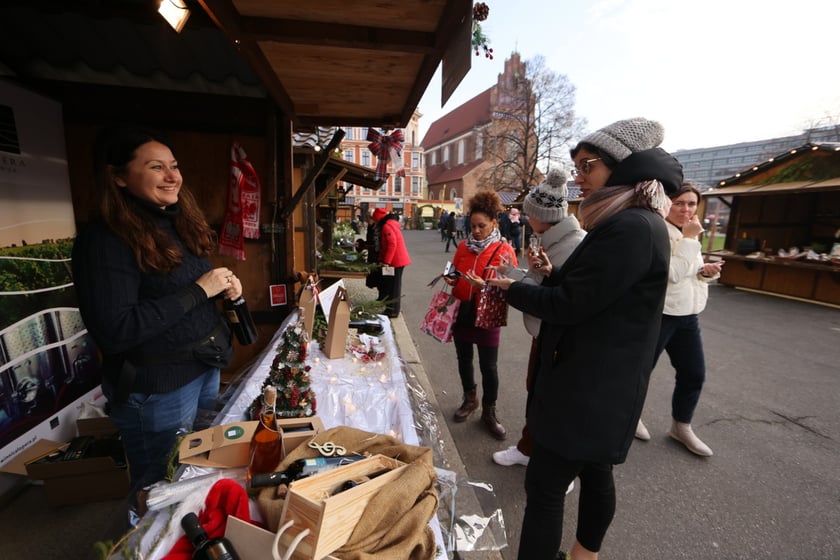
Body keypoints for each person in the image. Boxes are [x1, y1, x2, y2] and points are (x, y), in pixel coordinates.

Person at [489, 117, 683, 559]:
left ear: (622, 168)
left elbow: (572, 305)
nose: (579, 176)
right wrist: (551, 275)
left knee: (545, 487)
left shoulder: (630, 226)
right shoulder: (629, 219)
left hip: (588, 386)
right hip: (603, 383)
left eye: (587, 165)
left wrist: (513, 288)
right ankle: (584, 555)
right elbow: (598, 294)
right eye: (576, 165)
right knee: (596, 474)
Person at [71, 126, 242, 519]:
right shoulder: (105, 240)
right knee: (157, 489)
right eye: (156, 167)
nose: (173, 176)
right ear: (119, 177)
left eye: (175, 166)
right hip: (157, 390)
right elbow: (116, 330)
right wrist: (200, 290)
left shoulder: (177, 222)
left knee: (193, 475)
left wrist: (222, 290)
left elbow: (179, 295)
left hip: (203, 370)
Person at [491, 169, 585, 475]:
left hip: (561, 337)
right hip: (544, 333)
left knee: (554, 401)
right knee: (537, 391)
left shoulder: (573, 245)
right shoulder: (547, 239)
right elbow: (540, 280)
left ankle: (558, 468)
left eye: (530, 213)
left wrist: (512, 287)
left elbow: (557, 298)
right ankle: (528, 449)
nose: (526, 217)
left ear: (544, 215)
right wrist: (513, 273)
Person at [635, 183, 724, 456]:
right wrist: (690, 239)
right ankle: (628, 416)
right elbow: (670, 274)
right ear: (667, 204)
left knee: (694, 373)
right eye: (680, 203)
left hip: (689, 314)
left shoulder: (689, 234)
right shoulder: (660, 231)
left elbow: (689, 270)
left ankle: (681, 425)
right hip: (661, 315)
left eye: (692, 204)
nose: (686, 209)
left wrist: (706, 272)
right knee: (639, 372)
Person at [444, 191, 517, 440]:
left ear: (494, 223)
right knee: (463, 359)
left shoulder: (505, 249)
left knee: (489, 366)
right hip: (463, 310)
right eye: (472, 225)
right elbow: (455, 271)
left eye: (481, 226)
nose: (475, 231)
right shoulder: (463, 247)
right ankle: (470, 400)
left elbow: (511, 287)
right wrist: (451, 278)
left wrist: (483, 285)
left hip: (487, 315)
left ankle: (489, 411)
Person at [369, 207, 411, 318]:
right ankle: (391, 309)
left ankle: (392, 311)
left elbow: (392, 245)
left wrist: (386, 262)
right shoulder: (391, 223)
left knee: (394, 287)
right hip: (397, 260)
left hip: (396, 261)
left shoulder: (387, 226)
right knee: (392, 286)